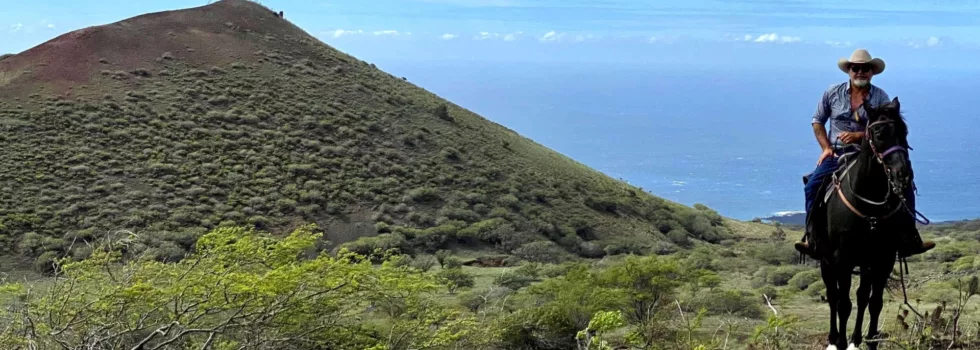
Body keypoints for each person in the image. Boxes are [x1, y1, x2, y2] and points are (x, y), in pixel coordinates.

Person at [795, 48, 935, 259]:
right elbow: (817, 121)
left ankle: (910, 238)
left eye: (865, 68)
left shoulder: (881, 97)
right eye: (856, 68)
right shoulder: (832, 93)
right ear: (849, 71)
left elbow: (886, 128)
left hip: (871, 154)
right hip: (838, 153)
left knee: (904, 182)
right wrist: (826, 148)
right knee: (812, 186)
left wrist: (859, 135)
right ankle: (813, 239)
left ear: (872, 72)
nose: (860, 72)